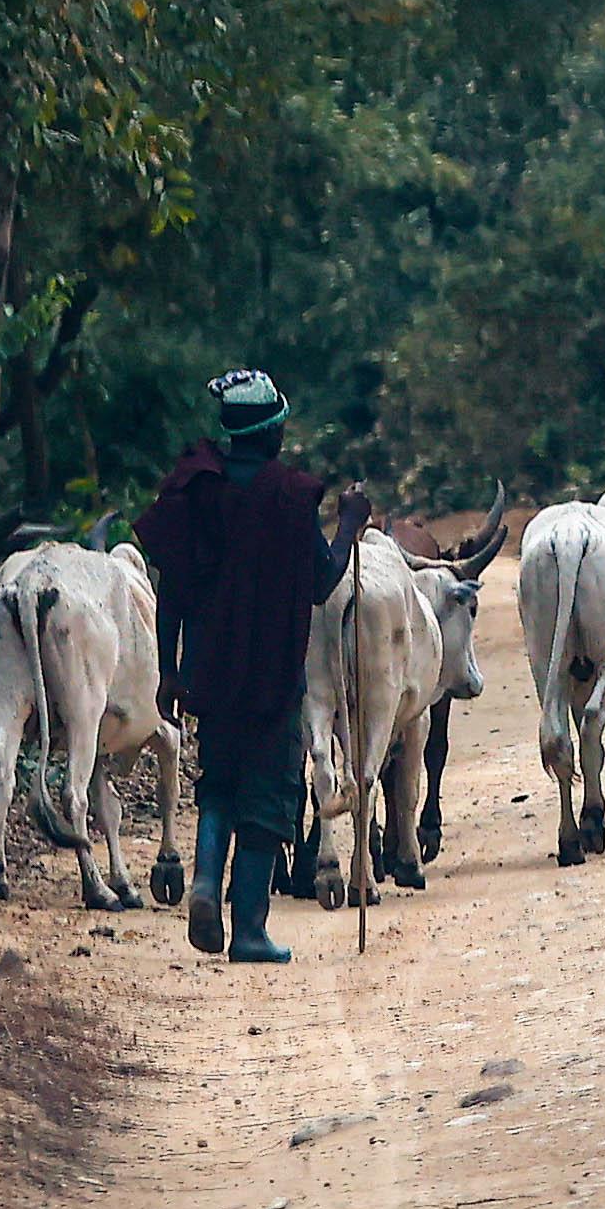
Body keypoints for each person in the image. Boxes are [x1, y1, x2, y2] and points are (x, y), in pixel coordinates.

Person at [137, 368, 368, 964]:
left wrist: (168, 670)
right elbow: (321, 583)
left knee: (218, 786)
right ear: (272, 432)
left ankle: (206, 882)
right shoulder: (289, 496)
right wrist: (348, 523)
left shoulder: (196, 488)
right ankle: (249, 932)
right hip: (271, 678)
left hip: (208, 673)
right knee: (266, 799)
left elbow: (172, 590)